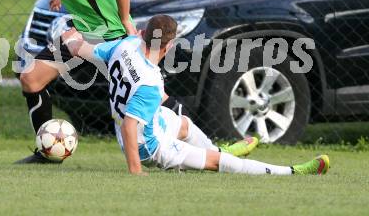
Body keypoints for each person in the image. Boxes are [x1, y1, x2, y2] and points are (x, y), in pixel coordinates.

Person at [61, 15, 330, 175]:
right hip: (150, 147)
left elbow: (82, 49)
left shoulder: (125, 45)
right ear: (171, 44)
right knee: (217, 163)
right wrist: (136, 172)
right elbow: (132, 126)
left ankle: (219, 147)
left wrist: (67, 33)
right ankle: (291, 171)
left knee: (184, 124)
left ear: (142, 34)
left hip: (142, 125)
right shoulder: (151, 83)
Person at [5, 0, 137, 163]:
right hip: (84, 33)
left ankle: (204, 148)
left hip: (109, 34)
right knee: (31, 79)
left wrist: (125, 21)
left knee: (147, 94)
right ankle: (46, 152)